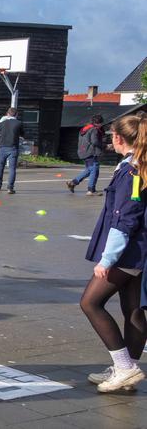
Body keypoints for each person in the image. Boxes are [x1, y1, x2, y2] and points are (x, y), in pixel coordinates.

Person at [79, 113, 147, 393]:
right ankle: (126, 371)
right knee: (132, 310)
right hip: (139, 252)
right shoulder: (137, 166)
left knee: (90, 303)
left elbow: (125, 220)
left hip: (129, 253)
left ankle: (125, 367)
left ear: (118, 138)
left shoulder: (131, 171)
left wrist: (106, 260)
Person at [69, 114, 105, 196]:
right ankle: (91, 190)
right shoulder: (94, 130)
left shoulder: (85, 129)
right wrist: (105, 145)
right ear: (98, 123)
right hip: (91, 152)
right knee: (94, 170)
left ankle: (73, 183)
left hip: (83, 151)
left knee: (90, 169)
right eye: (101, 123)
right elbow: (95, 141)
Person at [0, 108, 22, 194]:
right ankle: (10, 188)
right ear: (16, 114)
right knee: (12, 168)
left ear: (7, 114)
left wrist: (0, 139)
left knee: (0, 167)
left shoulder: (2, 123)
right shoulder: (19, 123)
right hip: (13, 147)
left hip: (2, 147)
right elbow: (22, 134)